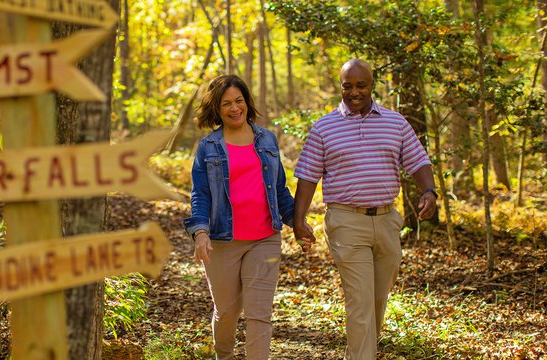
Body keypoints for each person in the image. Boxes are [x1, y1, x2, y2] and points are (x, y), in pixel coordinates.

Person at [293, 59, 438, 359]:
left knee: (376, 300)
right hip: (346, 221)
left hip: (387, 220)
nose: (354, 92)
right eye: (348, 86)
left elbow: (418, 161)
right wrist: (299, 220)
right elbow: (307, 177)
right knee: (360, 302)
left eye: (361, 85)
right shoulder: (324, 127)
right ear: (341, 87)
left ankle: (357, 353)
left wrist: (429, 191)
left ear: (372, 85)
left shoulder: (395, 122)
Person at [183, 74, 297, 359]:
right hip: (223, 241)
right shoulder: (208, 147)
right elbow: (200, 194)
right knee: (227, 312)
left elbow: (280, 189)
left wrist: (299, 222)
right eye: (226, 104)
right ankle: (224, 355)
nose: (235, 108)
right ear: (217, 109)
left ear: (247, 102)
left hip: (265, 238)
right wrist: (200, 232)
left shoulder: (266, 139)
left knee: (259, 314)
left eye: (239, 101)